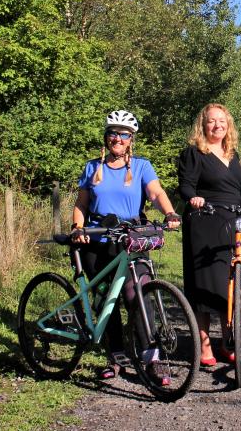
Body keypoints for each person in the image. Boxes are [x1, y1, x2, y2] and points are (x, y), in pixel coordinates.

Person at [71, 109, 181, 382]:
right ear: (106, 137)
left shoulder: (142, 166)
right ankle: (116, 356)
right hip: (98, 241)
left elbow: (156, 192)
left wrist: (169, 213)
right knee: (106, 300)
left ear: (131, 139)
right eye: (113, 133)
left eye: (124, 135)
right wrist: (77, 228)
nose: (118, 139)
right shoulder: (91, 168)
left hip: (131, 239)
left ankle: (152, 358)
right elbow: (81, 204)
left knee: (138, 294)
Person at [177, 103, 241, 366]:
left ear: (228, 125)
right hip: (205, 221)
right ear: (203, 125)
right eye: (211, 121)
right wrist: (194, 198)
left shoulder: (232, 153)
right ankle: (204, 344)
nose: (217, 125)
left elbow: (237, 188)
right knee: (203, 285)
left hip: (232, 222)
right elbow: (185, 186)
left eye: (222, 121)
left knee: (230, 284)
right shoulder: (194, 153)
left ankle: (227, 341)